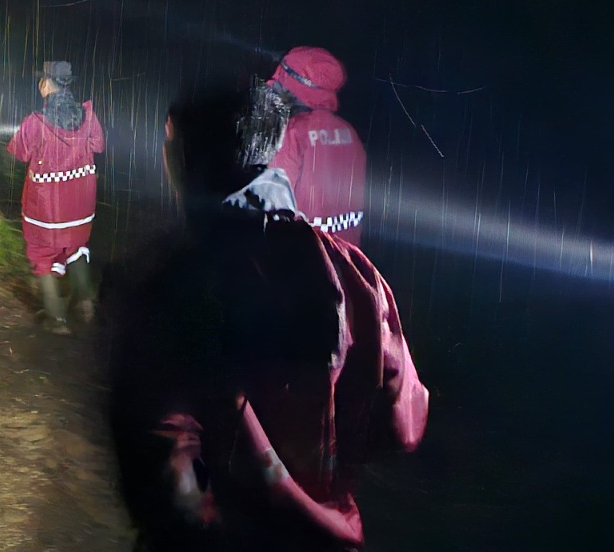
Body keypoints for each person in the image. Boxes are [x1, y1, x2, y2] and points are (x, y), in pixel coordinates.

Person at [108, 83, 428, 550]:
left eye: (169, 139)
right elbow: (403, 424)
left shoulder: (171, 283)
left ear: (184, 159)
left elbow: (159, 446)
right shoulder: (355, 273)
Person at [227, 46, 367, 246]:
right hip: (346, 257)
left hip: (304, 256)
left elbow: (272, 203)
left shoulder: (292, 133)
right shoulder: (348, 132)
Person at [7, 59, 105, 333]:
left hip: (46, 209)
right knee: (76, 248)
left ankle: (57, 319)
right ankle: (86, 304)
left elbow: (19, 152)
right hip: (81, 207)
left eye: (43, 79)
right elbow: (99, 144)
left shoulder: (36, 122)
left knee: (42, 256)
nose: (40, 84)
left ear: (48, 84)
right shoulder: (88, 116)